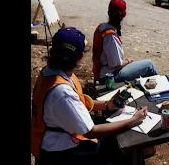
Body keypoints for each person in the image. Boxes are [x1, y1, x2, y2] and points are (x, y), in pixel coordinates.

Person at [31, 26, 148, 165]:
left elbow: (77, 103)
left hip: (51, 139)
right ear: (79, 57)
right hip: (59, 153)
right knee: (121, 146)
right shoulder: (62, 92)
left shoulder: (51, 72)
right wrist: (132, 120)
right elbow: (91, 131)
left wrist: (106, 105)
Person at [92, 0, 159, 83]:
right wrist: (128, 61)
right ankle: (163, 89)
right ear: (122, 17)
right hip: (109, 75)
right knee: (149, 65)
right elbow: (115, 65)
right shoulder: (110, 36)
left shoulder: (102, 27)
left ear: (108, 13)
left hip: (101, 70)